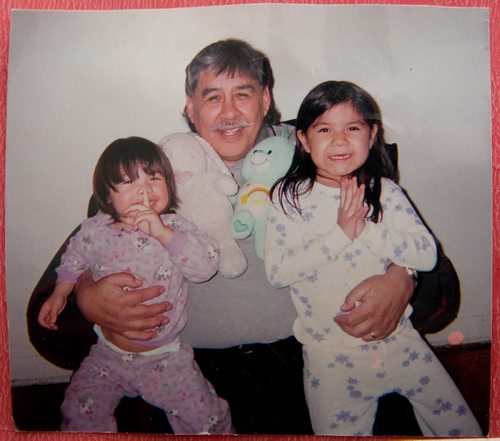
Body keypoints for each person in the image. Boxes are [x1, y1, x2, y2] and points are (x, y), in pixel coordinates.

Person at [31, 39, 418, 434]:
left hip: (308, 352)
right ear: (190, 108)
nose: (229, 113)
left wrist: (402, 276)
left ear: (265, 100)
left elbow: (389, 216)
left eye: (243, 95)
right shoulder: (156, 170)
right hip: (191, 365)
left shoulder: (313, 152)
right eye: (212, 97)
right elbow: (90, 241)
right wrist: (85, 291)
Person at [264, 80, 483, 437]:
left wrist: (366, 230)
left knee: (459, 426)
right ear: (303, 139)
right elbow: (278, 271)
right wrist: (340, 233)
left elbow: (426, 255)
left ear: (372, 134)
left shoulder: (387, 192)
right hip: (329, 355)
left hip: (399, 341)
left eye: (352, 128)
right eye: (324, 129)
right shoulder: (288, 199)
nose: (339, 140)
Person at [37, 137, 233, 434]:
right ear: (106, 194)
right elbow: (73, 259)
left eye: (154, 178)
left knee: (206, 419)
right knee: (77, 413)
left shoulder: (176, 228)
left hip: (166, 356)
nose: (145, 189)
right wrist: (60, 293)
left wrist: (164, 234)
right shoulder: (95, 230)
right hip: (107, 354)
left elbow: (205, 266)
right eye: (129, 182)